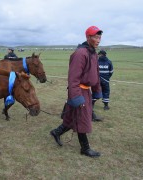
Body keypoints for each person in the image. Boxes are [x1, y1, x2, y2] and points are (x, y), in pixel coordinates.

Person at [50, 26, 103, 158]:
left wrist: (97, 91)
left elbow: (96, 73)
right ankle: (85, 148)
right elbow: (73, 78)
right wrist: (77, 98)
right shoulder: (80, 53)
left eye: (99, 37)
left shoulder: (93, 53)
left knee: (73, 117)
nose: (98, 40)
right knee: (82, 119)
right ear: (88, 37)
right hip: (78, 91)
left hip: (86, 91)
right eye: (95, 37)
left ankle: (56, 132)